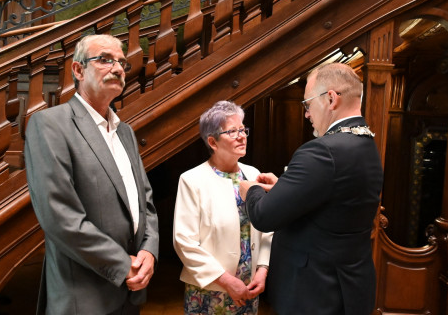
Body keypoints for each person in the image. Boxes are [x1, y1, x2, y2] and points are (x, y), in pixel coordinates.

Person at [25, 34, 159, 315]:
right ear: (78, 69)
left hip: (130, 293)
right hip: (83, 299)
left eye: (122, 62)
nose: (118, 68)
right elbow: (60, 216)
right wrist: (124, 265)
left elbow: (145, 201)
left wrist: (149, 251)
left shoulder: (126, 132)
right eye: (105, 60)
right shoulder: (50, 125)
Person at [240, 62, 384, 315]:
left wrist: (251, 190)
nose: (307, 113)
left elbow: (264, 216)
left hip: (316, 292)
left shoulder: (322, 151)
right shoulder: (365, 141)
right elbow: (332, 196)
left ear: (330, 98)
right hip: (350, 284)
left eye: (307, 104)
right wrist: (284, 187)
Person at [173, 101, 273, 314]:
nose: (242, 136)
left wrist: (262, 270)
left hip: (248, 287)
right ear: (213, 142)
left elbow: (266, 230)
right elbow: (184, 242)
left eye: (243, 129)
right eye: (232, 131)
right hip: (210, 288)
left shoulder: (253, 173)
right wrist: (227, 281)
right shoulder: (192, 180)